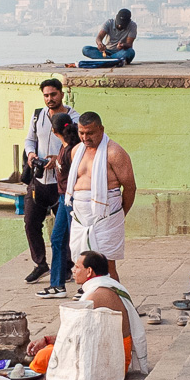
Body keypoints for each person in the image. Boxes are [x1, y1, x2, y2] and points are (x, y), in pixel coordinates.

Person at [24, 249, 150, 375]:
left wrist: (46, 340)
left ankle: (31, 378)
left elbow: (74, 336)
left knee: (45, 355)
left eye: (77, 267)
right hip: (115, 355)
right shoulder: (111, 285)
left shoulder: (94, 296)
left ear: (89, 271)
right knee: (52, 349)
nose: (73, 270)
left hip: (113, 362)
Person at [67, 111, 136, 281]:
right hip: (80, 215)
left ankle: (116, 303)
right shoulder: (76, 151)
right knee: (82, 262)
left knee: (106, 264)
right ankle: (92, 299)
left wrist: (119, 214)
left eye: (90, 133)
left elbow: (130, 187)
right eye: (81, 133)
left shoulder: (114, 152)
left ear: (101, 129)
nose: (85, 137)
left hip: (107, 214)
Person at [21, 77, 70, 282]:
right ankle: (40, 263)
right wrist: (31, 155)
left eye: (53, 94)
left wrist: (56, 158)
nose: (50, 99)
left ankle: (66, 266)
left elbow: (74, 145)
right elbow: (30, 139)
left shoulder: (72, 117)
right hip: (38, 181)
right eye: (46, 95)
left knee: (64, 229)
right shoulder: (37, 116)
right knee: (31, 222)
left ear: (62, 94)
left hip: (60, 183)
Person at [40, 115, 82, 298]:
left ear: (53, 131)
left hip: (72, 198)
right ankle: (57, 285)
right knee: (57, 239)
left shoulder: (72, 150)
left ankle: (85, 285)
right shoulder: (64, 148)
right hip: (64, 198)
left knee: (77, 242)